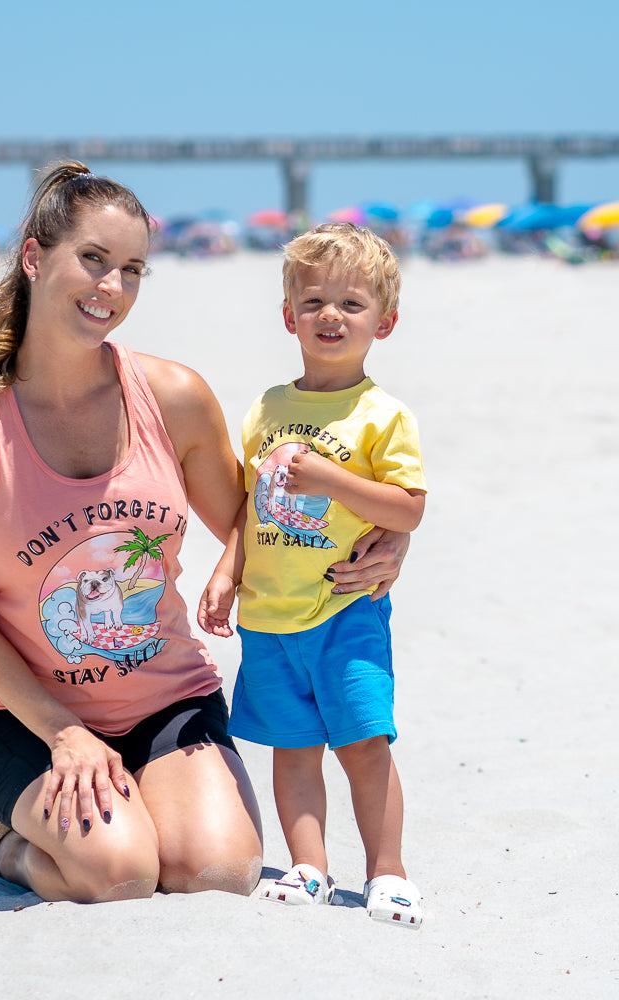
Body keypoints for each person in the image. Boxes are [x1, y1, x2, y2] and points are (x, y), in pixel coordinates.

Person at [0, 162, 410, 904]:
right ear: (35, 257)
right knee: (120, 875)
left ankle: (136, 803)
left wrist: (388, 540)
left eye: (133, 269)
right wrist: (62, 733)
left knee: (216, 874)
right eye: (94, 260)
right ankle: (7, 849)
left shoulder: (173, 397)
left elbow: (261, 517)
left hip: (165, 700)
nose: (112, 287)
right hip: (20, 716)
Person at [198, 223, 426, 926]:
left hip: (344, 610)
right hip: (269, 616)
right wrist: (227, 568)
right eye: (316, 300)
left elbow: (408, 508)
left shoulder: (381, 415)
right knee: (293, 751)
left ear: (384, 323)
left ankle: (388, 871)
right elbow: (248, 503)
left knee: (363, 743)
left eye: (353, 305)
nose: (332, 316)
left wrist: (332, 479)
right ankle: (309, 867)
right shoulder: (267, 408)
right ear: (289, 315)